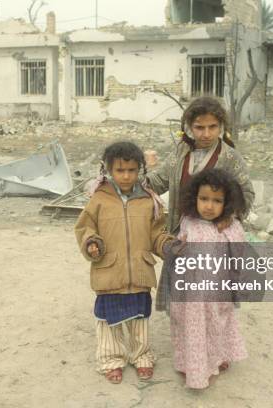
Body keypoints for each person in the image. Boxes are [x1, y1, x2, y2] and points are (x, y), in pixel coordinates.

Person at [74, 141, 173, 384]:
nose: (126, 176)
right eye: (120, 170)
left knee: (140, 319)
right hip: (109, 271)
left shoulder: (149, 200)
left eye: (131, 170)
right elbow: (85, 228)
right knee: (109, 321)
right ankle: (111, 360)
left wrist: (166, 245)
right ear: (108, 170)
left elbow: (156, 233)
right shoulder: (99, 199)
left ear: (140, 170)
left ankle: (142, 357)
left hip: (140, 271)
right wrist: (91, 243)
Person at [163, 168, 249, 389]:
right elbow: (178, 249)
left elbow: (238, 256)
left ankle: (216, 359)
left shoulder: (231, 227)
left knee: (216, 325)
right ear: (194, 198)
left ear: (227, 203)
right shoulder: (188, 222)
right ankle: (192, 366)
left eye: (217, 201)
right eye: (204, 199)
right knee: (191, 328)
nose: (209, 206)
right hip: (191, 293)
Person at [146, 95, 254, 235]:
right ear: (190, 127)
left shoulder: (230, 158)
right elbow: (159, 180)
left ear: (221, 126)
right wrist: (135, 180)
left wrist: (229, 216)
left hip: (215, 235)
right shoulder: (181, 151)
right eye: (200, 127)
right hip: (180, 233)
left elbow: (246, 193)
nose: (206, 134)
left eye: (212, 127)